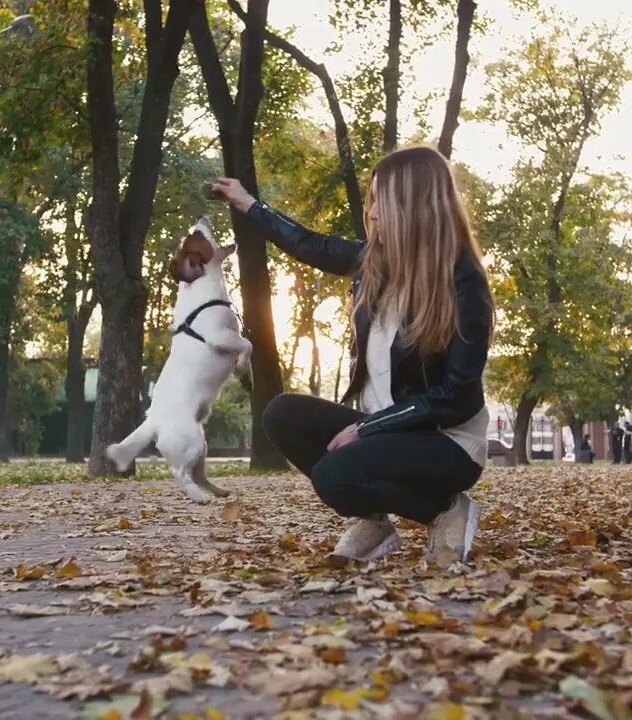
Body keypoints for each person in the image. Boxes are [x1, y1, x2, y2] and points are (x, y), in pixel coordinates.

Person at [207, 146, 494, 565]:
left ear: (410, 204)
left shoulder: (463, 284)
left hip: (446, 442)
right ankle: (376, 523)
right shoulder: (374, 263)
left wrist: (368, 429)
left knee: (334, 476)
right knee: (282, 414)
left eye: (380, 199)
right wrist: (249, 205)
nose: (372, 212)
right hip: (386, 429)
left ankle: (447, 511)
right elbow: (308, 244)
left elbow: (456, 397)